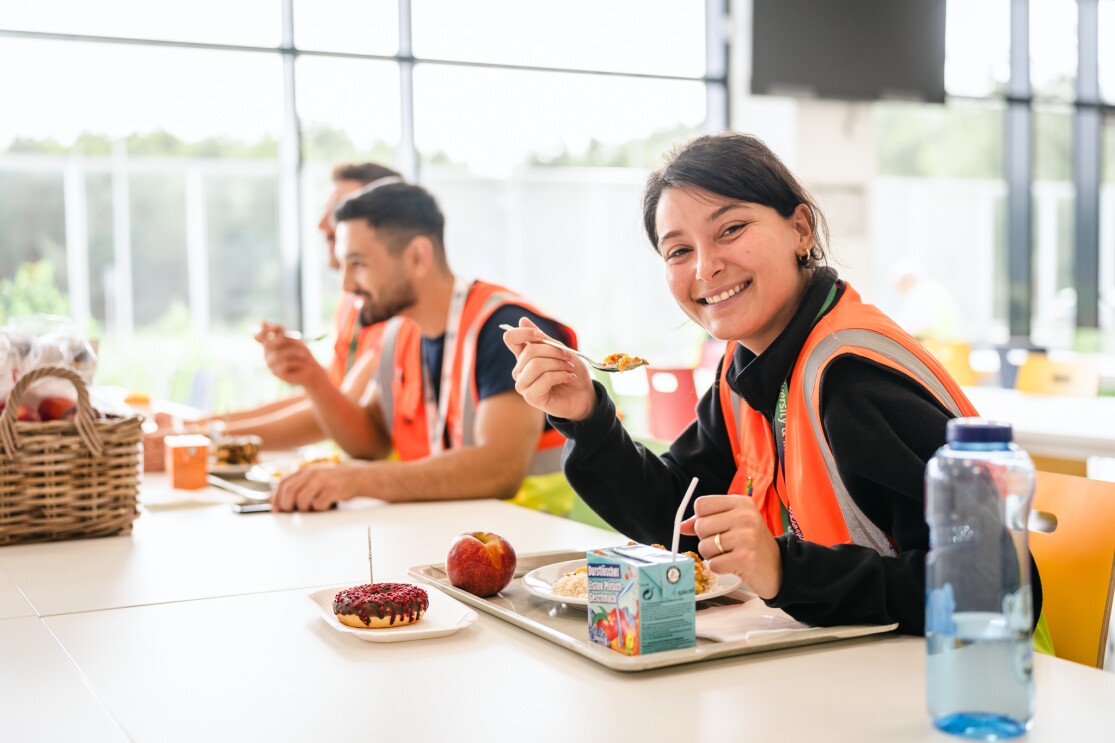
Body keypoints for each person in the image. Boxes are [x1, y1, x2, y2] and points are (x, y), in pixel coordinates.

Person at [504, 132, 1047, 641]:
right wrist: (586, 416)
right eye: (678, 251)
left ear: (800, 230)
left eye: (731, 229)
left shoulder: (853, 379)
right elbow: (680, 521)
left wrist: (785, 569)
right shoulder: (744, 367)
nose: (706, 267)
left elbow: (993, 588)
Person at [268, 182, 578, 515]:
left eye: (357, 264)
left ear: (417, 257)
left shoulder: (506, 330)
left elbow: (499, 471)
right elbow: (370, 442)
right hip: (448, 535)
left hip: (529, 543)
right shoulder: (399, 334)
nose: (346, 284)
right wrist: (312, 378)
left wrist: (355, 480)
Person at [143, 162, 401, 470]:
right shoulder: (352, 301)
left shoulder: (392, 309)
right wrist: (199, 424)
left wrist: (198, 435)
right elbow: (327, 396)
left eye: (340, 212)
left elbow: (333, 416)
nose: (322, 224)